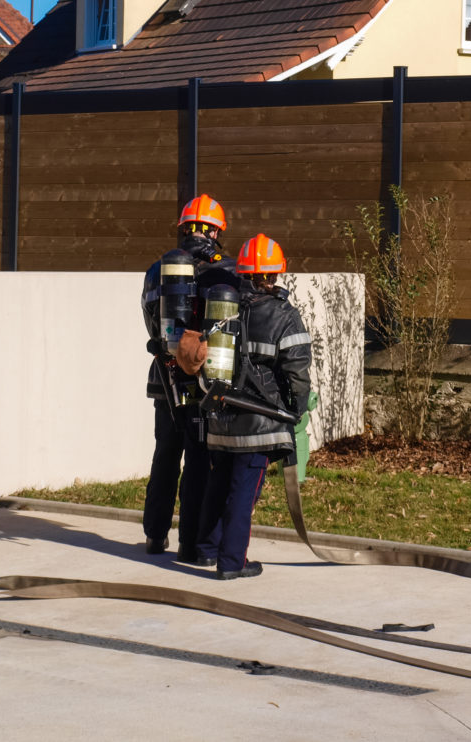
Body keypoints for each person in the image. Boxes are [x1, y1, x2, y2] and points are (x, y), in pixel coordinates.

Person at [195, 234, 312, 579]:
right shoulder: (283, 315)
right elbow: (297, 371)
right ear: (274, 274)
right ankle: (232, 563)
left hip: (221, 417)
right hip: (260, 423)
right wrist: (296, 409)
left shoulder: (224, 307)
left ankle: (206, 550)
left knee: (218, 486)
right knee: (243, 493)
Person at [141, 194, 235, 563]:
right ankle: (190, 543)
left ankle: (154, 536)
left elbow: (151, 322)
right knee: (198, 461)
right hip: (202, 384)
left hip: (164, 380)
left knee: (165, 455)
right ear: (215, 231)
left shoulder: (158, 269)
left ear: (183, 228)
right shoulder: (223, 270)